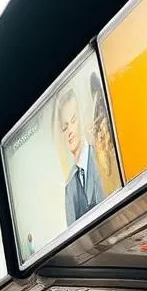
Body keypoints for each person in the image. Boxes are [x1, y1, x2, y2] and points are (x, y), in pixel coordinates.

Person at [57, 85, 105, 223]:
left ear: (81, 119)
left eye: (73, 120)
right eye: (65, 127)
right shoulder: (70, 185)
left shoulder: (100, 157)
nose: (70, 131)